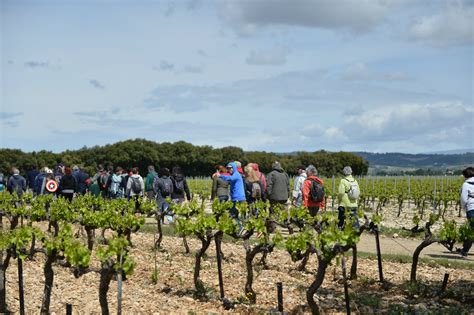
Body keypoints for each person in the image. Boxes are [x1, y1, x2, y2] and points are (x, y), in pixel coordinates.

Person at [459, 166, 474, 257]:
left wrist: (464, 208)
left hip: (472, 208)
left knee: (472, 231)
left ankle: (465, 250)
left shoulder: (466, 184)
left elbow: (464, 199)